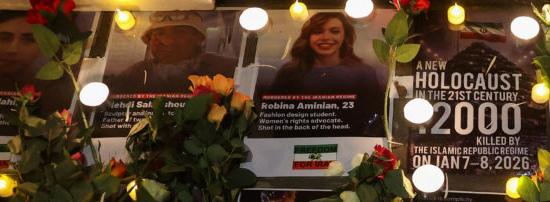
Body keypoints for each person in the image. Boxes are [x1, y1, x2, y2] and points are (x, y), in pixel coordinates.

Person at [266, 12, 381, 135]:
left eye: (335, 31)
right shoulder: (289, 72)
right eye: (317, 31)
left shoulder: (364, 72)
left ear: (345, 36)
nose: (326, 37)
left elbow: (374, 117)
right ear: (308, 36)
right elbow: (273, 117)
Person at [107, 11, 237, 95]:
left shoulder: (226, 69)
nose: (167, 41)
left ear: (198, 38)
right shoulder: (136, 72)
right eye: (160, 33)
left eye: (179, 31)